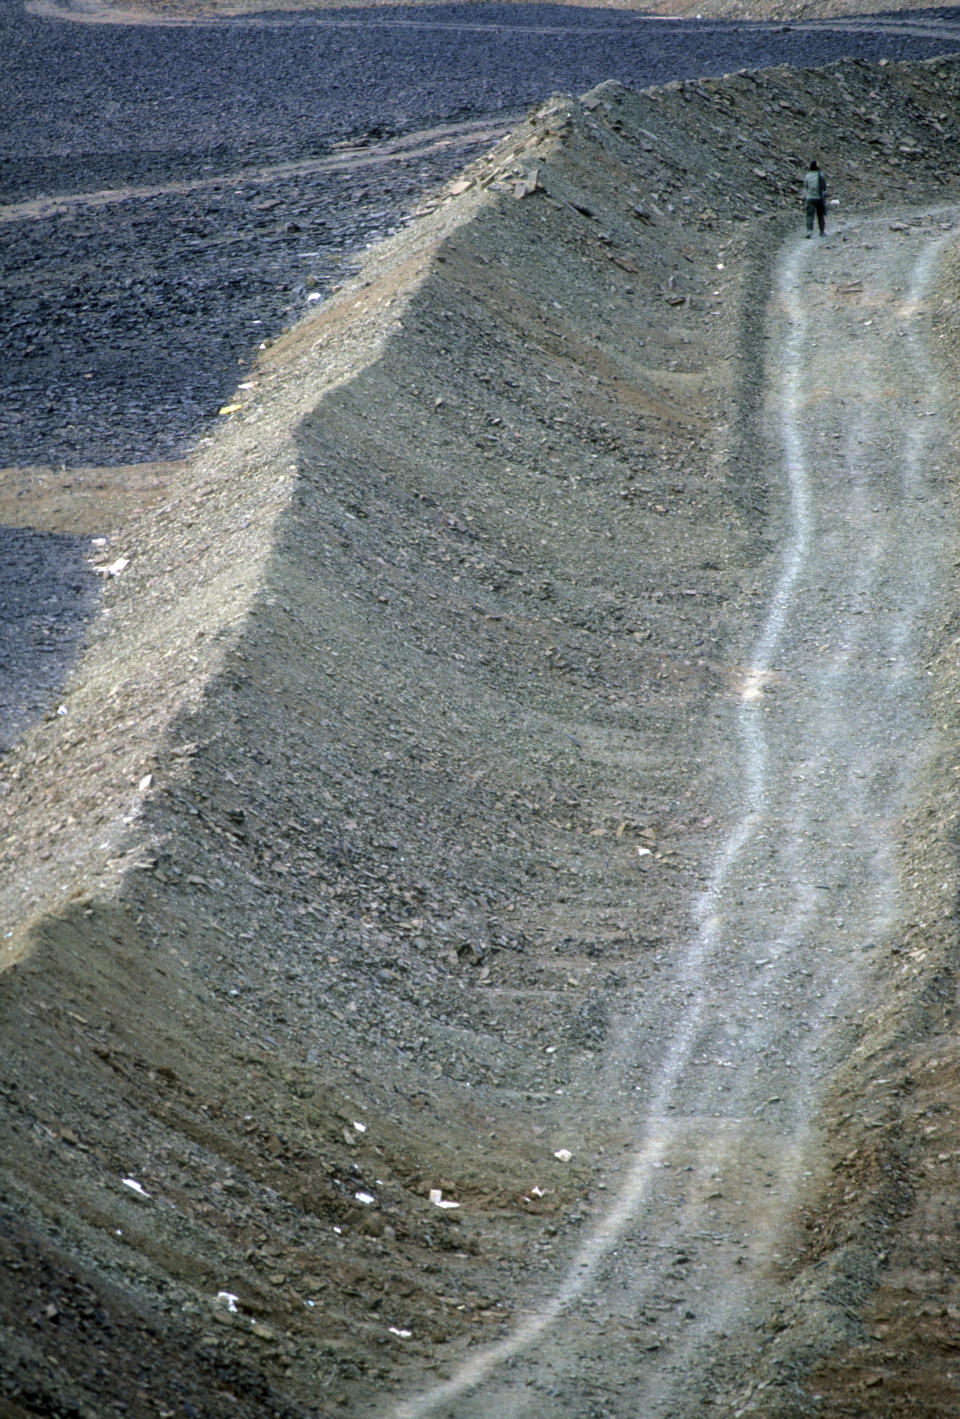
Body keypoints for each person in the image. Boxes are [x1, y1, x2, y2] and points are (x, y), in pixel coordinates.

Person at [803, 160, 827, 238]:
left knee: (810, 215)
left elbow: (806, 187)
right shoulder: (821, 175)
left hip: (810, 198)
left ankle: (809, 231)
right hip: (819, 198)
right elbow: (824, 187)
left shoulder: (807, 176)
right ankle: (822, 231)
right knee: (820, 215)